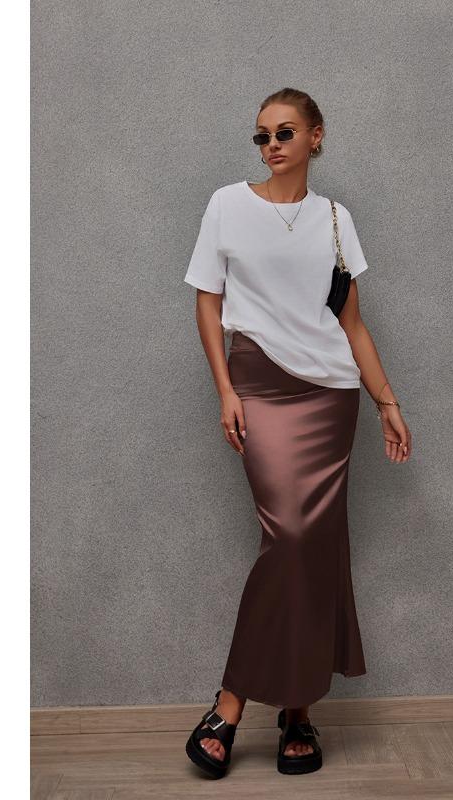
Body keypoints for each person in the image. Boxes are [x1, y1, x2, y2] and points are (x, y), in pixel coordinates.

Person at [183, 88, 412, 779]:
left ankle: (298, 711)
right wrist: (225, 389)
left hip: (331, 395)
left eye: (284, 132)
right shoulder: (227, 205)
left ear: (316, 136)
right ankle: (232, 699)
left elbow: (351, 324)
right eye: (261, 135)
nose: (271, 145)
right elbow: (207, 302)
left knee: (312, 548)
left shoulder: (336, 219)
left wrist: (385, 400)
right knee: (289, 536)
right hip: (258, 382)